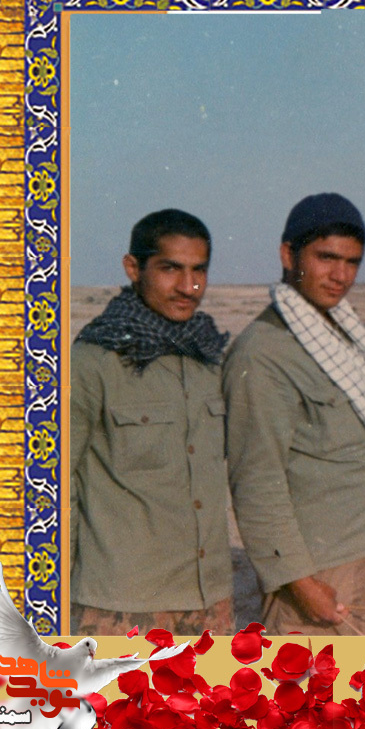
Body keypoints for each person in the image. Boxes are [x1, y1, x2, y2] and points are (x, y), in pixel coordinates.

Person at [223, 193, 365, 636]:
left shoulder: (343, 332)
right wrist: (299, 581)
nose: (341, 276)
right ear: (288, 255)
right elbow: (256, 481)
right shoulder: (262, 352)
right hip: (323, 569)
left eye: (352, 262)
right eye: (326, 258)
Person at [70, 209, 232, 635]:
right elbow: (52, 487)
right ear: (133, 268)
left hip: (210, 601)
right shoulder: (92, 360)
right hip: (121, 606)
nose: (188, 286)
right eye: (170, 269)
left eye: (199, 271)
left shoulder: (209, 357)